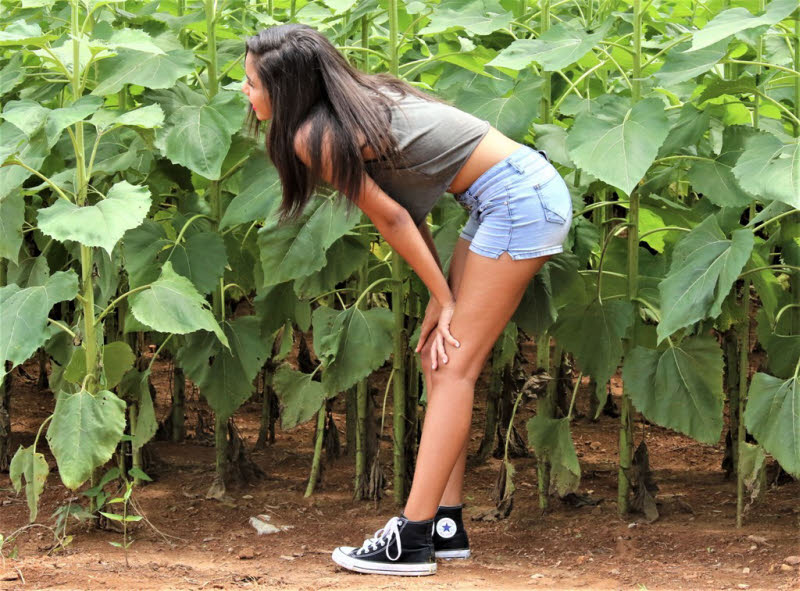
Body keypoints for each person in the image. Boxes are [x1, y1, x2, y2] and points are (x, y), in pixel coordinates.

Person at [242, 24, 573, 577]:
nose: (245, 93)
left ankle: (413, 538)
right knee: (440, 358)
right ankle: (446, 526)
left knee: (454, 368)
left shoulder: (316, 135)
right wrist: (437, 300)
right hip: (507, 198)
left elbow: (393, 217)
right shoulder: (356, 106)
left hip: (518, 201)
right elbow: (408, 210)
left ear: (287, 88)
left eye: (252, 83)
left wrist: (443, 299)